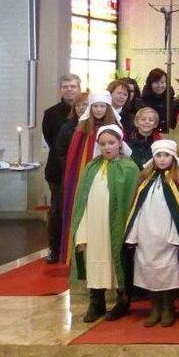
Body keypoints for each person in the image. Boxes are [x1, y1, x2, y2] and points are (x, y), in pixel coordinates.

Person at [68, 125, 138, 322]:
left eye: (111, 143)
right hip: (94, 224)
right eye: (103, 143)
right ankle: (96, 302)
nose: (107, 147)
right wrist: (81, 230)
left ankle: (123, 301)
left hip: (115, 225)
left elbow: (131, 200)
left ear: (120, 144)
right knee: (94, 260)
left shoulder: (129, 168)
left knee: (117, 261)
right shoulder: (91, 167)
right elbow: (81, 200)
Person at [124, 139, 179, 328]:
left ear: (173, 157)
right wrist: (133, 234)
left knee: (168, 272)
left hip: (167, 236)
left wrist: (176, 235)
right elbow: (137, 208)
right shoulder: (145, 180)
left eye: (166, 155)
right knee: (149, 272)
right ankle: (155, 308)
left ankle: (168, 307)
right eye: (158, 155)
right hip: (146, 235)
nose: (162, 159)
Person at [60, 91, 121, 262]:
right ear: (91, 108)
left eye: (102, 106)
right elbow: (75, 156)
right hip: (87, 173)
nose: (99, 110)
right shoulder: (83, 128)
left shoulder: (115, 126)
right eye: (95, 106)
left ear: (108, 108)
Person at [41, 73, 82, 263]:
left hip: (82, 169)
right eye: (66, 86)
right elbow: (52, 141)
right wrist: (67, 163)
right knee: (57, 211)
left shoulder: (87, 110)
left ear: (79, 88)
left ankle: (76, 249)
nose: (69, 90)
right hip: (58, 171)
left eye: (73, 86)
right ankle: (54, 249)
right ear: (61, 90)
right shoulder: (51, 114)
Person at [141, 68, 179, 132]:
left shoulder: (175, 103)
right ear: (150, 84)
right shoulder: (142, 102)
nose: (160, 85)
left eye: (162, 82)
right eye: (156, 82)